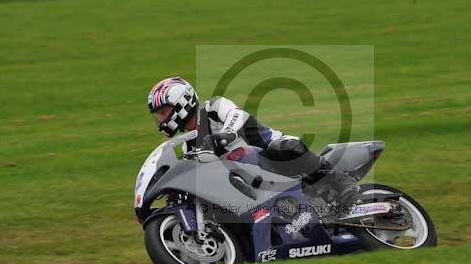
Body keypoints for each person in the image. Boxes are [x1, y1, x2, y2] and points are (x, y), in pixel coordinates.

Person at [147, 77, 359, 216]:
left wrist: (225, 134)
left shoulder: (213, 108)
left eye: (163, 112)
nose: (161, 119)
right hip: (248, 183)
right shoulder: (187, 148)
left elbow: (236, 114)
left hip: (271, 156)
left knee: (285, 147)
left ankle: (340, 181)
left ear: (182, 104)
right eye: (159, 115)